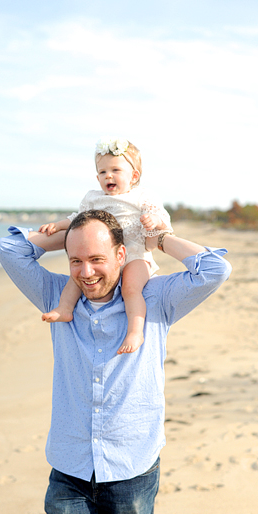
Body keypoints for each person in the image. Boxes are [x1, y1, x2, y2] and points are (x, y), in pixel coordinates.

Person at [0, 209, 231, 514]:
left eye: (97, 259)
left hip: (133, 467)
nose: (86, 272)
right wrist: (68, 237)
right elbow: (9, 248)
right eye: (76, 261)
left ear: (121, 254)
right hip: (71, 465)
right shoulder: (56, 297)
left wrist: (156, 238)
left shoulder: (155, 300)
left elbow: (214, 268)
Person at [36, 138, 172, 354]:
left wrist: (154, 220)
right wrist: (59, 226)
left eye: (115, 170)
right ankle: (65, 308)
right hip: (102, 257)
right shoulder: (94, 198)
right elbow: (78, 219)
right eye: (102, 172)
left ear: (134, 176)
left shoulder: (142, 196)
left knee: (131, 288)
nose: (108, 176)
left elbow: (160, 216)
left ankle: (135, 331)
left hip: (135, 254)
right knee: (76, 278)